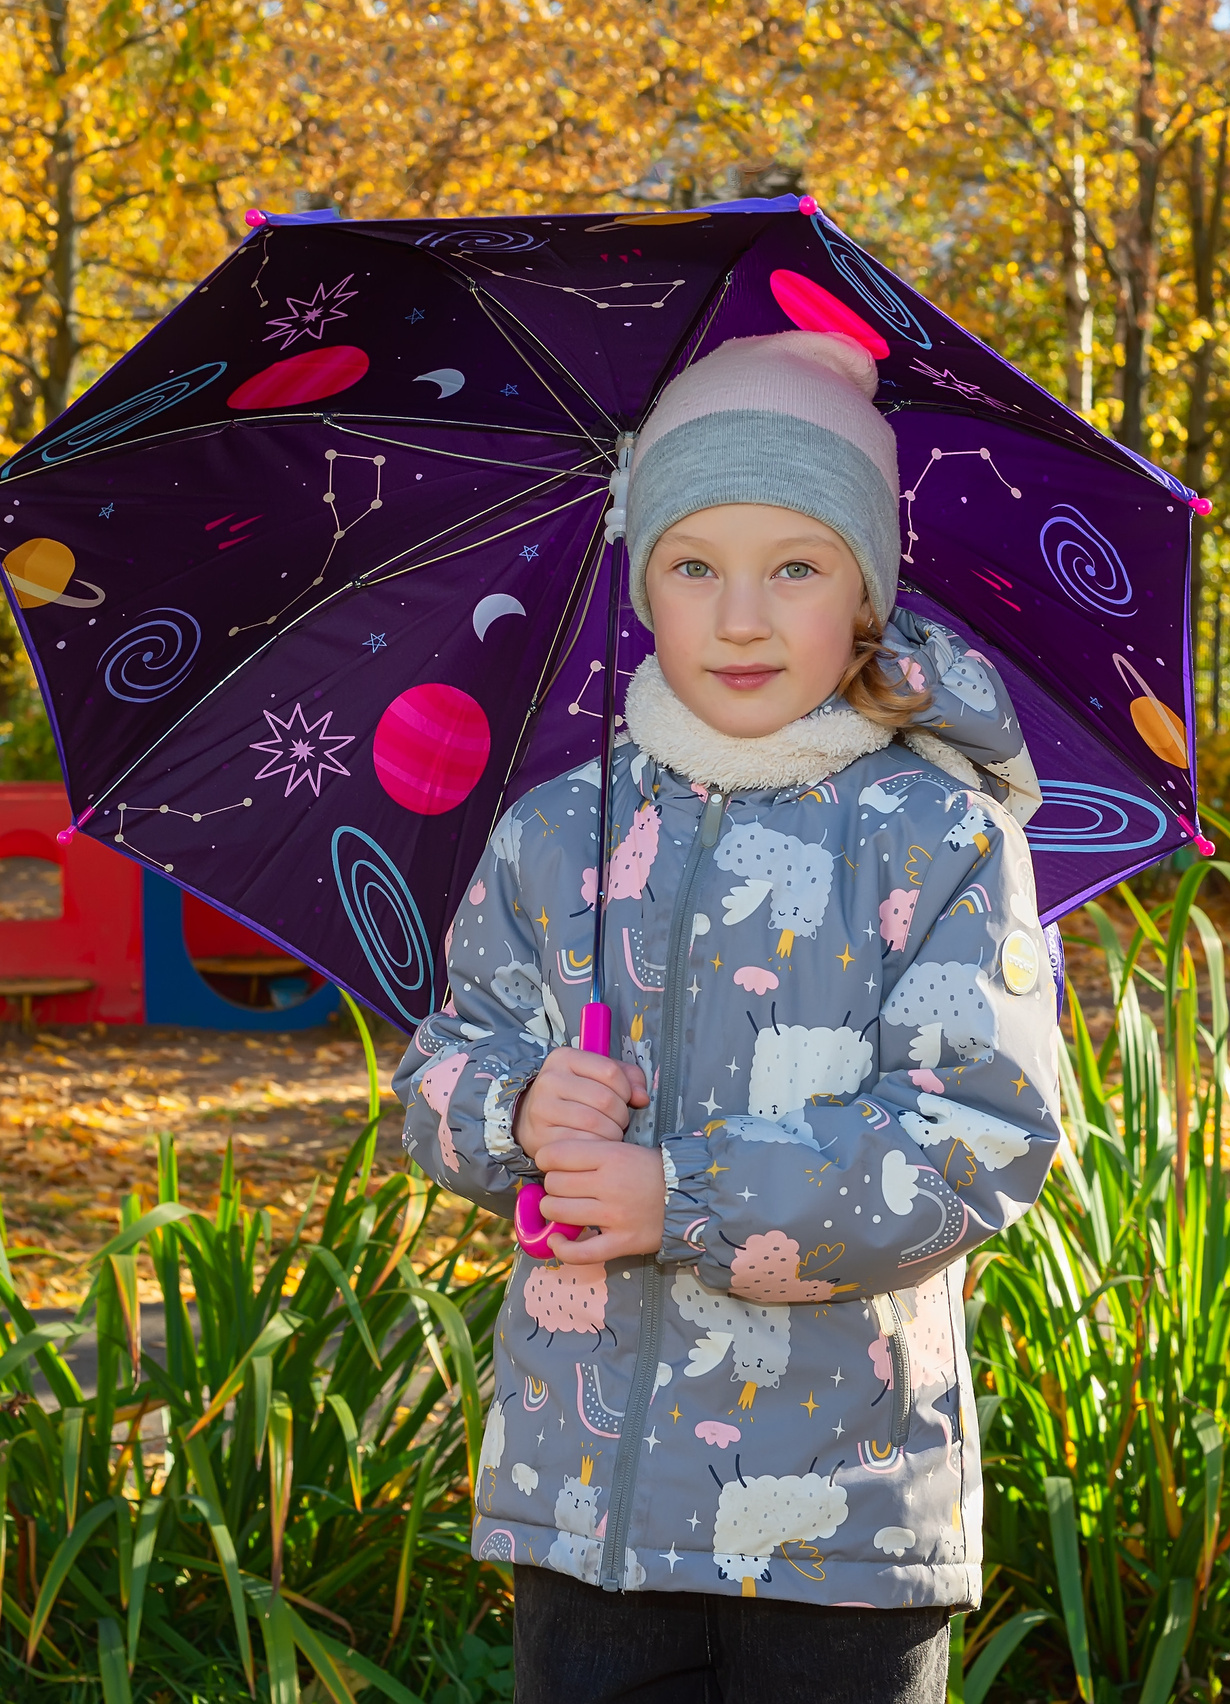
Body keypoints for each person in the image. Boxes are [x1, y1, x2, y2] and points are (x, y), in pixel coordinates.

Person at [393, 331, 1063, 1704]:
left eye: (796, 567)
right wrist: (512, 1107)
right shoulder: (551, 832)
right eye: (695, 565)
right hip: (583, 1513)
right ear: (641, 584)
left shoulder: (941, 841)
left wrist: (678, 1198)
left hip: (840, 1526)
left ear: (867, 594)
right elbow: (437, 1073)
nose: (740, 617)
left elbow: (975, 1139)